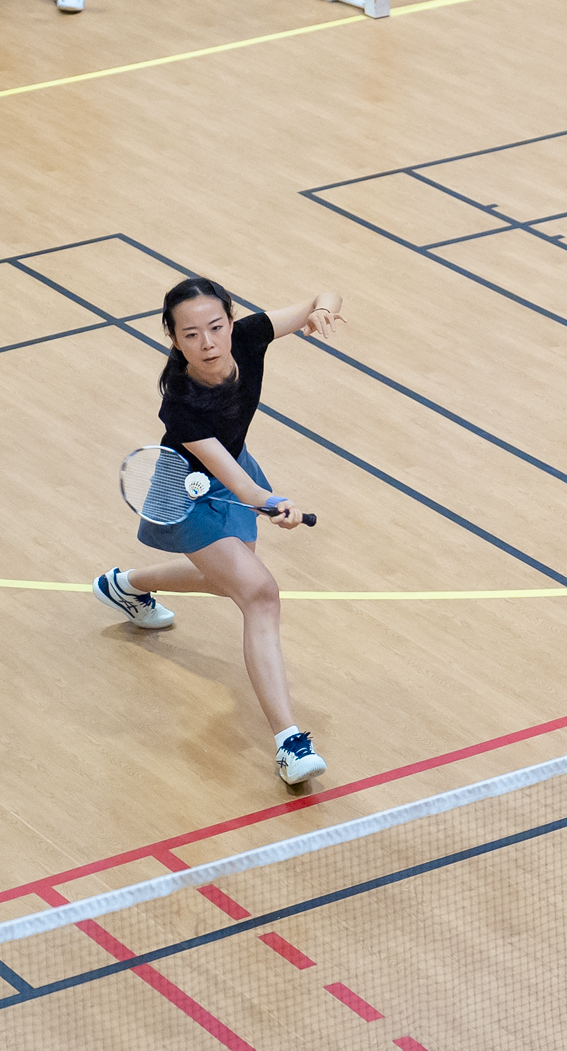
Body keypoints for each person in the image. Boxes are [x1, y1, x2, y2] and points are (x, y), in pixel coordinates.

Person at [93, 277, 345, 785]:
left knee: (226, 580)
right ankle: (289, 743)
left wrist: (323, 309)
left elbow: (323, 295)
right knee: (259, 593)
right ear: (173, 338)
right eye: (191, 335)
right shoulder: (181, 402)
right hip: (190, 492)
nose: (207, 343)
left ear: (231, 322)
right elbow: (241, 487)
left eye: (215, 327)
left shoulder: (249, 337)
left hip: (233, 466)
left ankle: (126, 585)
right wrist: (272, 502)